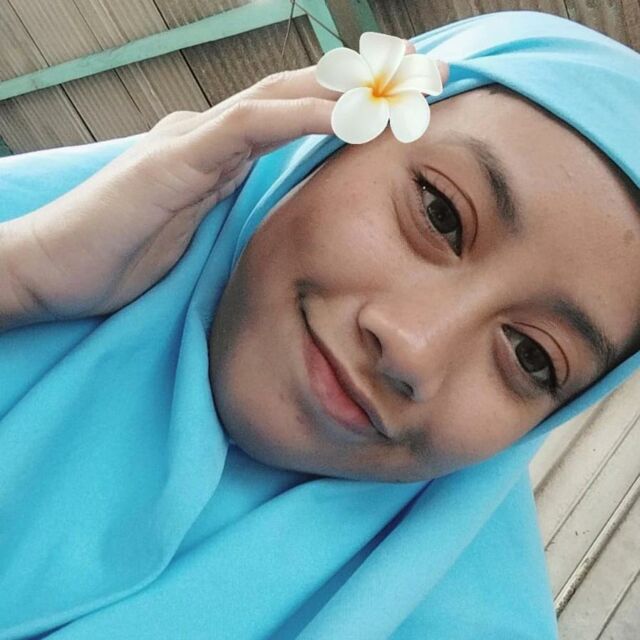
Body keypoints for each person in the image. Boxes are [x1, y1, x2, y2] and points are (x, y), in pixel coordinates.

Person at [0, 10, 638, 639]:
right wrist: (26, 275)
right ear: (327, 142)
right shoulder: (36, 238)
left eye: (532, 355)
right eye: (440, 213)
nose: (413, 348)